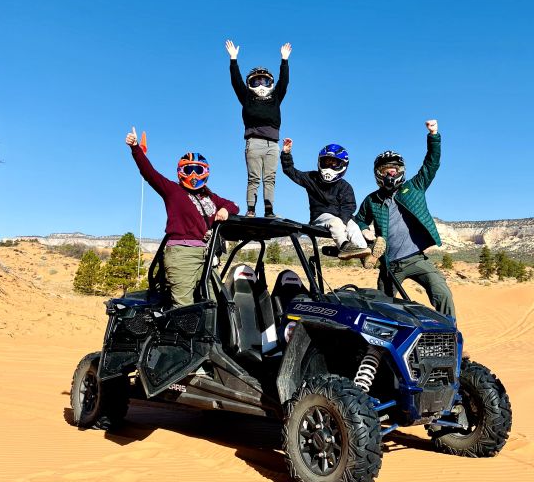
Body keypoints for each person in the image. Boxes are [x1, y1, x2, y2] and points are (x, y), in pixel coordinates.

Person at [126, 127, 239, 307]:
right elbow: (149, 173)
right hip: (181, 254)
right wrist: (135, 148)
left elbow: (234, 205)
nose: (193, 175)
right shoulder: (173, 191)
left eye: (197, 169)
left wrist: (225, 210)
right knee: (184, 308)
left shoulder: (210, 197)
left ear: (206, 172)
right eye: (189, 170)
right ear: (181, 172)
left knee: (214, 303)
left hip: (207, 255)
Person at [353, 120, 456, 317]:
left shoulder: (414, 187)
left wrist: (433, 135)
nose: (391, 174)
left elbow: (431, 164)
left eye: (394, 169)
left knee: (442, 293)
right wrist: (367, 234)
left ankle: (450, 336)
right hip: (389, 263)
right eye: (386, 170)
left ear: (401, 170)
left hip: (416, 258)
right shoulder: (372, 200)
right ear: (378, 173)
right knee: (383, 307)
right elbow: (359, 220)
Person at [225, 39, 291, 217]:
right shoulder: (247, 98)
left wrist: (284, 60)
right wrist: (233, 59)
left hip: (273, 145)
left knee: (270, 178)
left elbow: (284, 82)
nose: (260, 85)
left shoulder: (275, 97)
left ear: (270, 83)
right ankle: (251, 210)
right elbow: (236, 82)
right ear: (249, 84)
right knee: (254, 178)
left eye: (264, 81)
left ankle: (269, 211)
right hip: (253, 142)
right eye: (256, 82)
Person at [280, 139, 369, 259]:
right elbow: (290, 171)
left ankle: (363, 251)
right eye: (327, 162)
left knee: (353, 225)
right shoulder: (312, 178)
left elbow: (349, 206)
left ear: (342, 165)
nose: (329, 166)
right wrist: (286, 154)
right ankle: (344, 247)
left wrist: (344, 220)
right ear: (320, 162)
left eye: (334, 163)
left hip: (340, 217)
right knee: (335, 222)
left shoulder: (345, 186)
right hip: (319, 218)